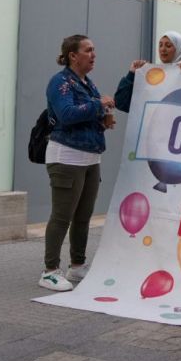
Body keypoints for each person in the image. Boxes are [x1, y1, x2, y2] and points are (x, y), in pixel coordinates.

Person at [40, 35, 115, 292]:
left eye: (94, 50)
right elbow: (67, 114)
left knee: (83, 216)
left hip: (90, 158)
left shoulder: (87, 83)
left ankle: (77, 265)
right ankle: (50, 270)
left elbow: (87, 114)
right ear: (73, 55)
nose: (94, 55)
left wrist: (103, 119)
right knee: (62, 217)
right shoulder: (60, 82)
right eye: (88, 50)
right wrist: (98, 104)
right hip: (66, 158)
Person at [114, 31, 181, 113]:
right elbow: (121, 103)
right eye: (160, 45)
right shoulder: (152, 76)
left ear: (179, 49)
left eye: (168, 45)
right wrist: (131, 75)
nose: (163, 49)